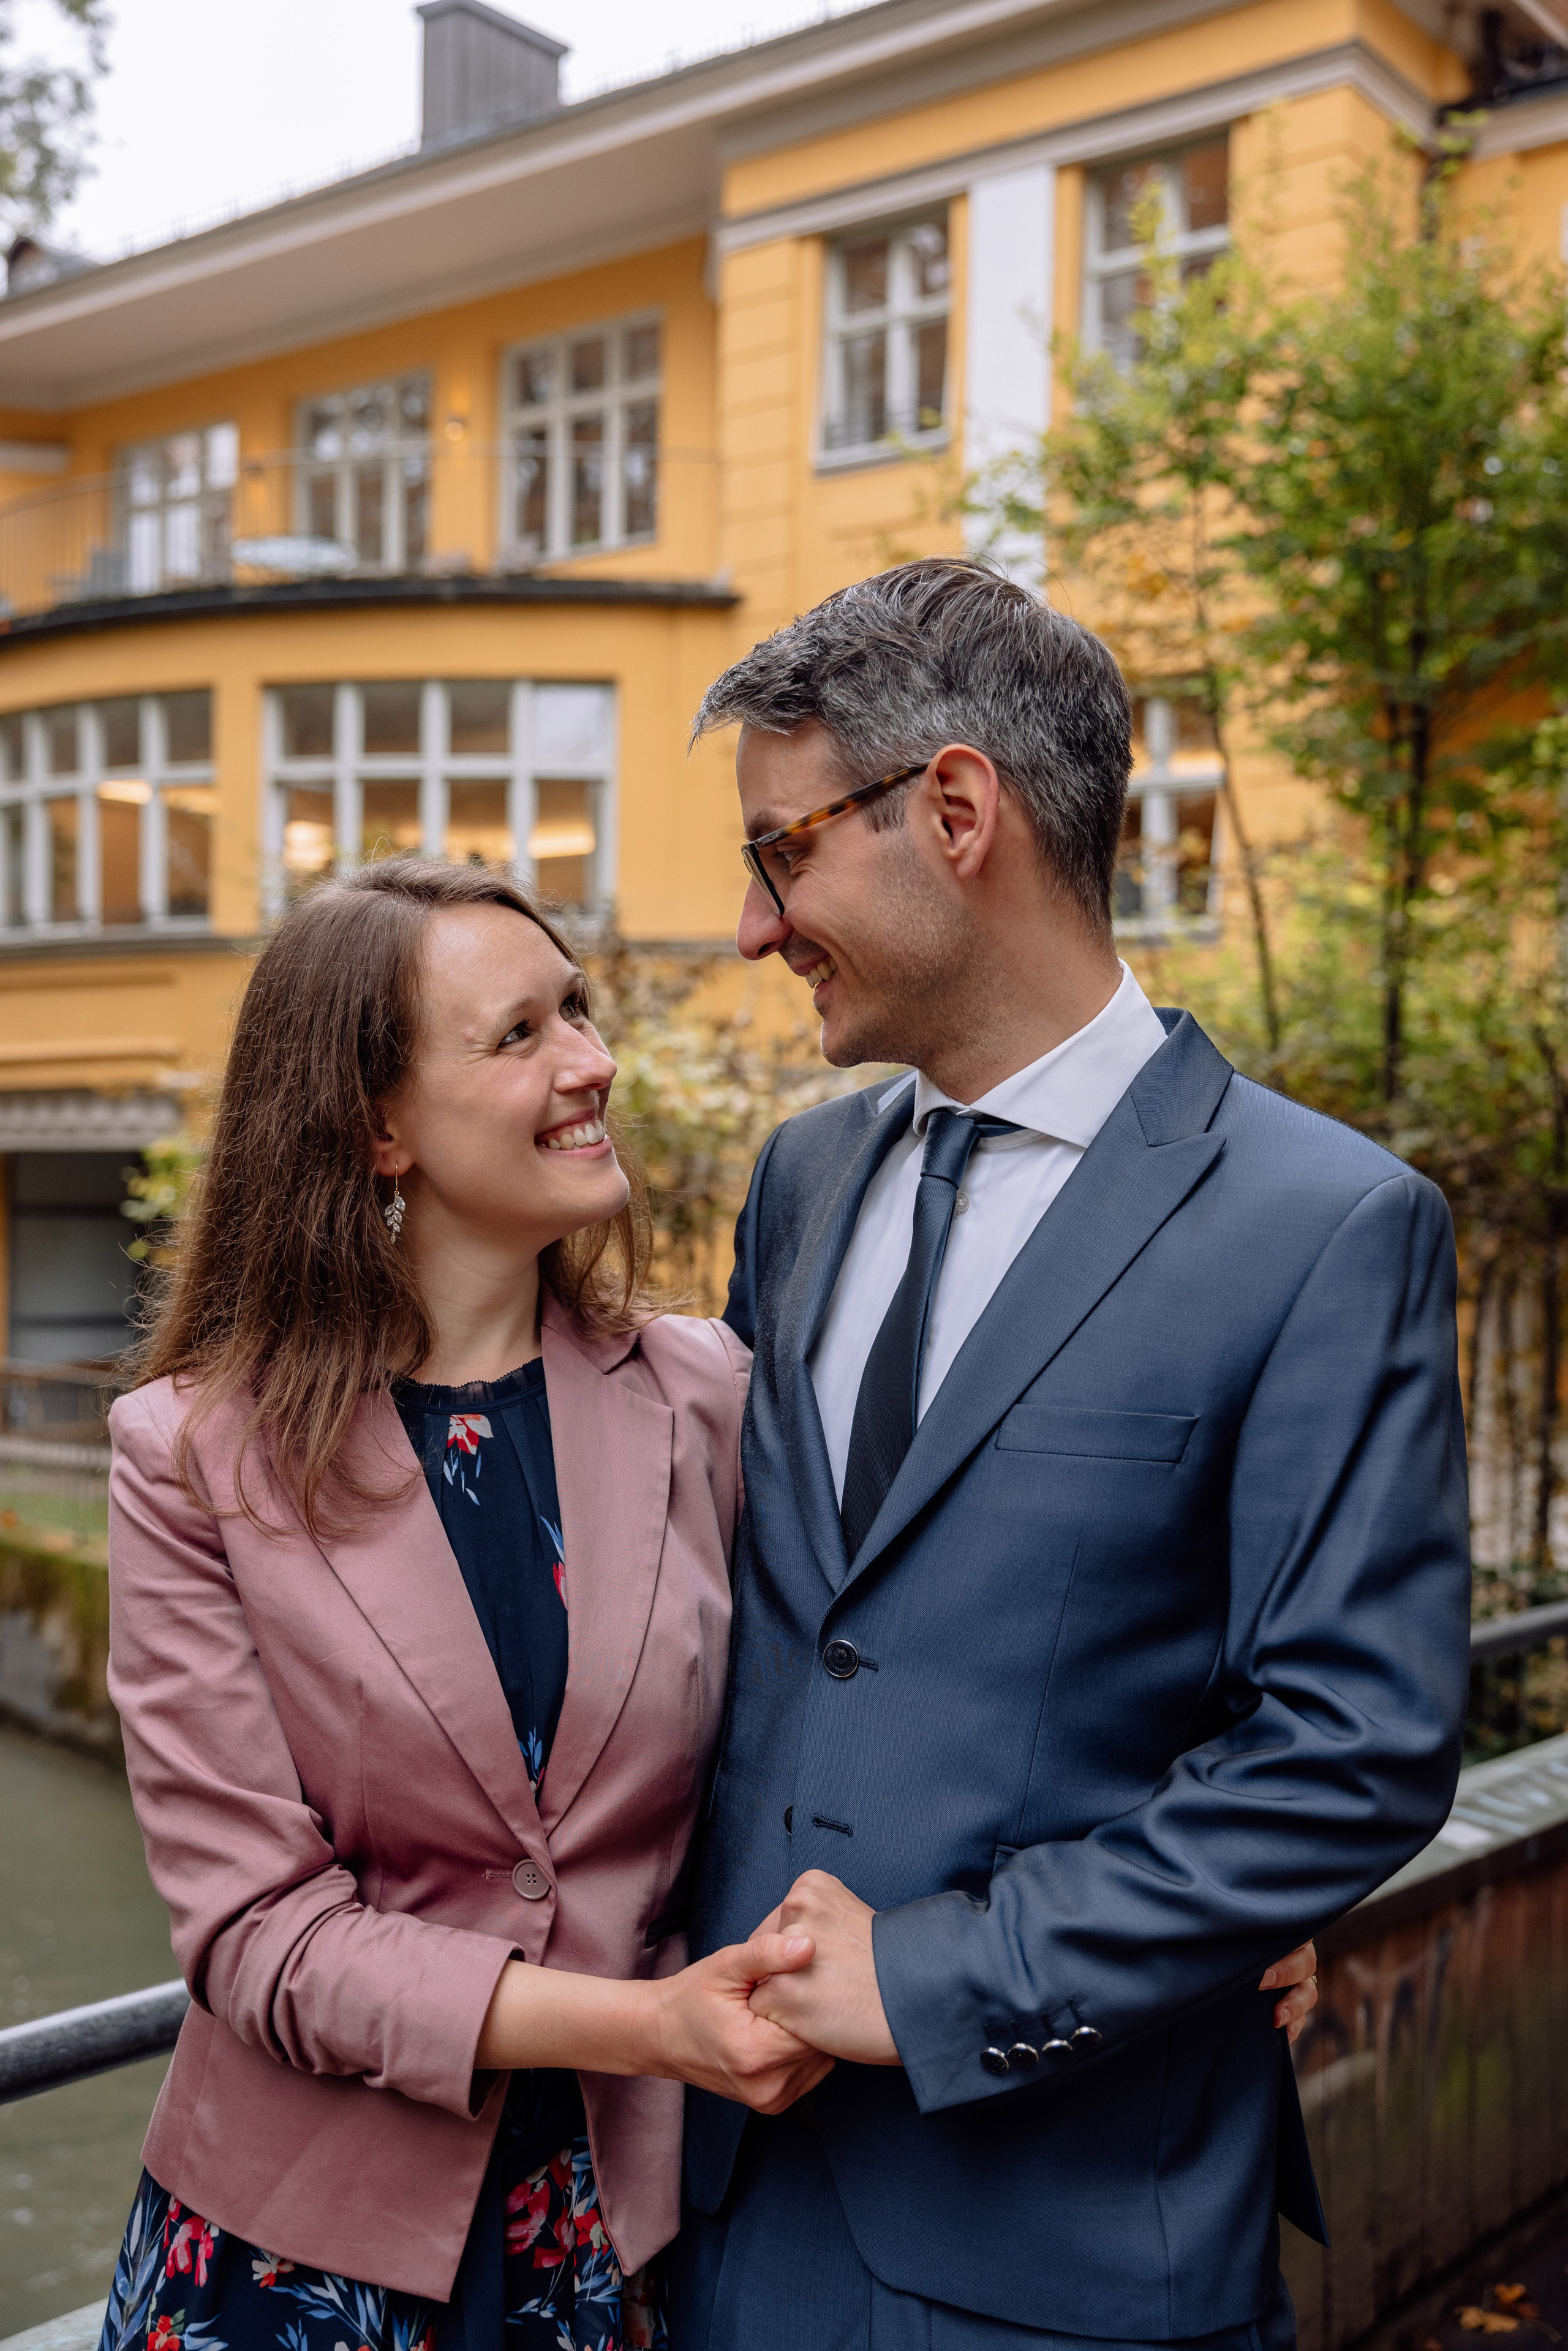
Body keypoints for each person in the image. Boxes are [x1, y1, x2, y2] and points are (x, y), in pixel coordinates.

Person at [669, 559, 1472, 2351]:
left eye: (782, 851)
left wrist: (952, 1973)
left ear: (955, 809)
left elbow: (1352, 1745)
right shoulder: (798, 1181)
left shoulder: (1328, 1221)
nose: (751, 924)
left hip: (1068, 2236)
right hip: (725, 2198)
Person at [97, 859, 834, 2351]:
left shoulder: (712, 1395)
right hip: (290, 2251)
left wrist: (1178, 1913)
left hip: (619, 2232)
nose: (591, 1058)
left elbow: (899, 1673)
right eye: (518, 1036)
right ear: (376, 1123)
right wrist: (648, 2024)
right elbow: (256, 1935)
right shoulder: (190, 1453)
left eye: (577, 1007)